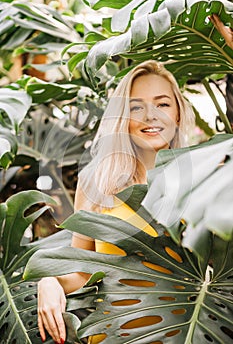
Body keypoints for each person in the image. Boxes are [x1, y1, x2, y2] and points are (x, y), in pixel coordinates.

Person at [37, 60, 195, 344]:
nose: (150, 116)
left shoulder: (205, 177)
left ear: (179, 114)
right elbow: (84, 271)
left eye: (163, 104)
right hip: (116, 335)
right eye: (136, 107)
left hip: (190, 331)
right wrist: (51, 281)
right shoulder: (97, 182)